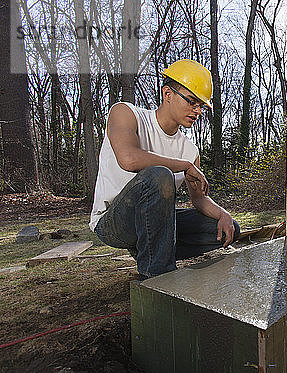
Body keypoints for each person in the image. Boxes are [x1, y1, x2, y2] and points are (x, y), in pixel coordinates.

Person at [89, 59, 240, 278]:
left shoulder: (190, 150)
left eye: (201, 106)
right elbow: (129, 159)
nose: (197, 110)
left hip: (155, 222)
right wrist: (184, 166)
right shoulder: (126, 114)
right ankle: (158, 277)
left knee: (228, 228)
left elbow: (198, 199)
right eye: (191, 102)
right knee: (159, 175)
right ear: (167, 94)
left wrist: (223, 214)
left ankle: (151, 252)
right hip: (114, 222)